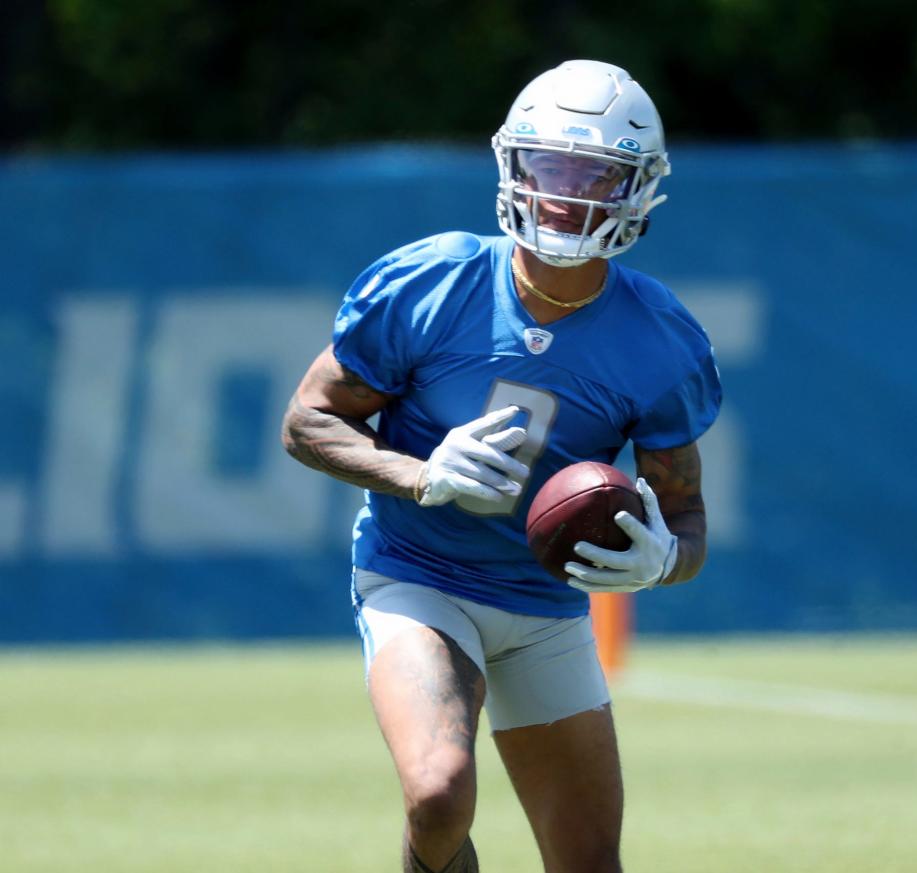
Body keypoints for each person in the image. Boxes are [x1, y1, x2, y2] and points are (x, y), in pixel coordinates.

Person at [282, 59, 721, 873]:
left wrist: (663, 561)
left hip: (544, 607)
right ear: (513, 165)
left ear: (638, 190)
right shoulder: (434, 279)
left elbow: (686, 517)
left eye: (596, 172)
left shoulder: (661, 337)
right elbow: (308, 421)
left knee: (588, 862)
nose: (566, 192)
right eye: (551, 165)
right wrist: (419, 474)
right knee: (440, 790)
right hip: (419, 575)